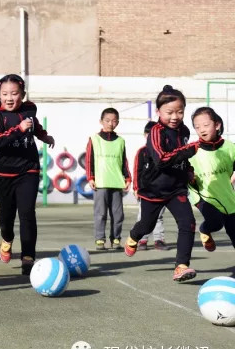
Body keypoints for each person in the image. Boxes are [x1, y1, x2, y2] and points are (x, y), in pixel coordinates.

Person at [125, 85, 199, 282]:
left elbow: (181, 156)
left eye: (180, 111)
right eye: (169, 112)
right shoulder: (156, 132)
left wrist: (189, 171)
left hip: (176, 188)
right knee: (146, 226)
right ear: (158, 112)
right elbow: (161, 159)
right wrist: (191, 149)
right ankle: (134, 235)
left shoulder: (184, 130)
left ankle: (181, 266)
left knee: (188, 222)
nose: (175, 117)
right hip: (154, 189)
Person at [0, 74, 55, 275]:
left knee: (27, 214)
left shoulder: (29, 112)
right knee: (6, 217)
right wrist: (18, 129)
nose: (9, 98)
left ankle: (28, 256)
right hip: (3, 174)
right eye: (5, 94)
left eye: (14, 93)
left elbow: (35, 127)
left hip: (28, 169)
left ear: (23, 94)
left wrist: (44, 136)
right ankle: (7, 239)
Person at [189, 107, 235, 251]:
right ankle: (204, 229)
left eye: (206, 125)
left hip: (227, 198)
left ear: (217, 125)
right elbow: (180, 170)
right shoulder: (190, 151)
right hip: (204, 197)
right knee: (215, 222)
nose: (202, 129)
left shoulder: (229, 148)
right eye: (197, 127)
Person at [85, 107, 131, 251]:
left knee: (118, 214)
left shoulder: (121, 141)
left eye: (114, 121)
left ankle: (116, 239)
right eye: (107, 120)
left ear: (118, 122)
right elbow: (89, 160)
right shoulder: (94, 139)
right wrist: (90, 177)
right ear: (101, 121)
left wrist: (128, 178)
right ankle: (100, 239)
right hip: (100, 182)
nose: (111, 123)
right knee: (101, 213)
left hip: (117, 182)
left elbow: (124, 161)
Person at [135, 121, 167, 250]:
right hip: (145, 190)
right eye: (149, 134)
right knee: (143, 215)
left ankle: (159, 240)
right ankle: (142, 239)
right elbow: (137, 170)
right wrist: (136, 188)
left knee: (158, 216)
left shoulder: (164, 152)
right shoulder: (142, 152)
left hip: (160, 190)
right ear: (145, 135)